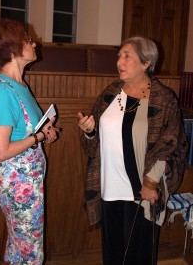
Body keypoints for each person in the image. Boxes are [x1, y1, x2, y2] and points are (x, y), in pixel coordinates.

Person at [78, 36, 188, 265]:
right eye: (119, 55)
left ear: (146, 62)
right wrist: (89, 130)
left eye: (127, 56)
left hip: (142, 191)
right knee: (113, 254)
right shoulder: (111, 92)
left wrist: (150, 182)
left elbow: (171, 143)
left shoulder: (164, 98)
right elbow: (94, 137)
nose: (120, 60)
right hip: (109, 188)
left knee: (139, 256)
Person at [0, 18, 60, 264]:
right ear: (14, 49)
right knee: (29, 249)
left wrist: (44, 130)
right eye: (28, 39)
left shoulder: (20, 84)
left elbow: (24, 130)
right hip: (17, 184)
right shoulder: (3, 91)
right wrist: (37, 137)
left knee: (22, 244)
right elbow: (1, 151)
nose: (34, 43)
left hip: (27, 180)